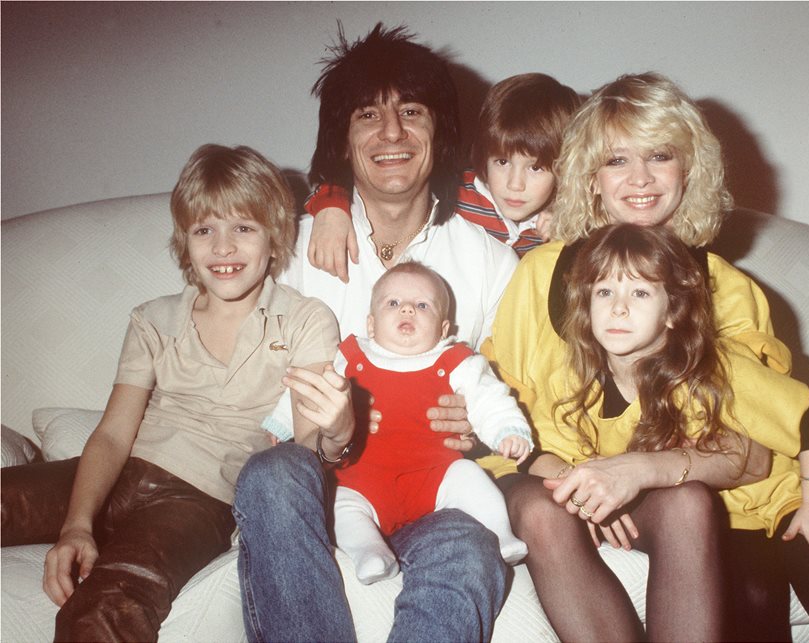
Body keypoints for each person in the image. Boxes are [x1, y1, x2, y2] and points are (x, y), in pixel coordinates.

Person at [476, 72, 797, 641]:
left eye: (660, 156)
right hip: (547, 480)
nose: (640, 179)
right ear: (590, 177)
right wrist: (582, 484)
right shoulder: (539, 274)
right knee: (542, 513)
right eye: (616, 160)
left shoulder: (728, 290)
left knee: (690, 506)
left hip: (665, 488)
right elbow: (499, 408)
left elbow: (755, 448)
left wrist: (637, 472)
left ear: (689, 170)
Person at [232, 24, 512, 642]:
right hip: (316, 492)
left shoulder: (490, 263)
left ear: (441, 131)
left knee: (470, 544)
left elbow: (509, 395)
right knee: (271, 475)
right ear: (343, 138)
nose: (391, 134)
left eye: (411, 112)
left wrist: (476, 424)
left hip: (429, 490)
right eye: (368, 115)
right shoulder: (294, 249)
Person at [0, 144, 346, 641]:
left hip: (197, 504)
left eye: (243, 228)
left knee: (103, 610)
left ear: (274, 238)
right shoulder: (153, 317)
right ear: (185, 242)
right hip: (120, 473)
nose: (222, 248)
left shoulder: (304, 319)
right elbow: (113, 435)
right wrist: (77, 524)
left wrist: (332, 437)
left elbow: (306, 446)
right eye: (204, 230)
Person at [552, 223, 809, 641]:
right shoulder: (579, 381)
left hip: (778, 496)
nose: (618, 308)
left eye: (640, 293)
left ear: (673, 312)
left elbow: (808, 414)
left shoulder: (714, 366)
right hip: (726, 513)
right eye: (604, 292)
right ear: (584, 303)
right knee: (754, 602)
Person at [264, 262, 532, 584]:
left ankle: (500, 535)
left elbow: (489, 398)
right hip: (361, 480)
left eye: (423, 305)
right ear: (371, 323)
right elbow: (314, 388)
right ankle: (369, 551)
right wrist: (282, 421)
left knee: (469, 477)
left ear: (443, 329)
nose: (407, 309)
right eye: (393, 303)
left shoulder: (457, 362)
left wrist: (507, 430)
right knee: (339, 505)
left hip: (435, 477)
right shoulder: (351, 357)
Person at [305, 72, 581, 281]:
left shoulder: (563, 220)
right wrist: (332, 207)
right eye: (502, 161)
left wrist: (567, 229)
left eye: (535, 168)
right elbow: (359, 181)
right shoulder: (455, 189)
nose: (515, 184)